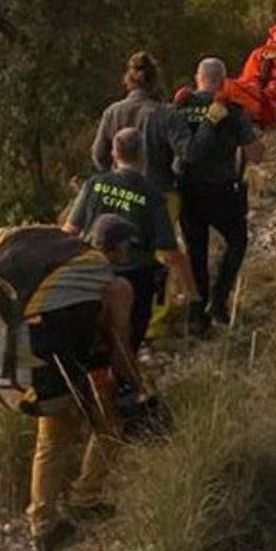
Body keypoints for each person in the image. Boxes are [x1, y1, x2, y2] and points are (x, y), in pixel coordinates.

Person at [0, 215, 148, 551]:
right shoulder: (106, 280)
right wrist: (138, 386)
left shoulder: (63, 260)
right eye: (125, 248)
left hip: (34, 365)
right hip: (61, 364)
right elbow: (118, 343)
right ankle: (85, 497)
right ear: (115, 249)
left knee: (52, 438)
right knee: (109, 425)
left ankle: (42, 524)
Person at [90, 52, 196, 338]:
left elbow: (98, 155)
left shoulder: (112, 113)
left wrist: (113, 173)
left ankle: (115, 315)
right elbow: (188, 152)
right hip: (160, 191)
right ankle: (152, 322)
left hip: (117, 190)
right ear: (155, 80)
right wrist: (174, 173)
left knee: (122, 253)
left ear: (128, 79)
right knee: (160, 256)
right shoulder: (166, 114)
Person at [66, 127, 201, 348]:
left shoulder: (94, 184)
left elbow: (70, 230)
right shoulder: (152, 195)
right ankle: (125, 375)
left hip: (94, 273)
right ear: (142, 155)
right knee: (129, 340)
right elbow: (169, 253)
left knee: (95, 340)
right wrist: (193, 294)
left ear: (114, 154)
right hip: (136, 277)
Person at [174, 58, 265, 333]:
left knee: (195, 251)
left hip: (186, 190)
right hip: (221, 190)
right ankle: (219, 299)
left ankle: (196, 314)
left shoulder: (179, 108)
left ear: (197, 77)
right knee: (237, 240)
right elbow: (255, 155)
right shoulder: (232, 110)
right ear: (224, 80)